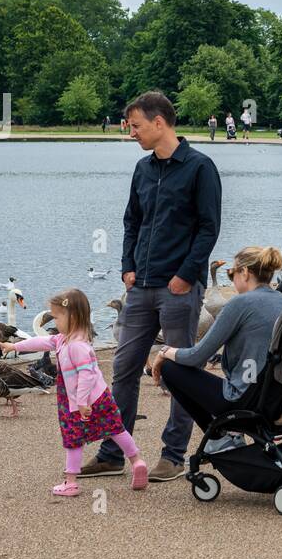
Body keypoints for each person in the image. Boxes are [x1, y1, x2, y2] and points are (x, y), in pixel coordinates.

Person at [81, 91, 221, 484]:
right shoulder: (143, 169)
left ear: (159, 123)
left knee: (178, 374)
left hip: (178, 287)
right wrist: (127, 265)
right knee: (124, 368)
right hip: (139, 286)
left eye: (136, 126)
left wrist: (186, 273)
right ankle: (114, 452)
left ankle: (173, 455)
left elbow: (209, 227)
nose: (132, 134)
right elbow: (132, 221)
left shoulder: (200, 168)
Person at [4, 288, 149, 496]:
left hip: (79, 401)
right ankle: (137, 461)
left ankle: (71, 482)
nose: (55, 323)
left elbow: (87, 375)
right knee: (116, 429)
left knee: (73, 438)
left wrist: (81, 402)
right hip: (101, 397)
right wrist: (15, 346)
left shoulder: (77, 345)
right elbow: (43, 341)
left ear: (72, 317)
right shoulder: (64, 338)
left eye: (57, 317)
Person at [150, 247, 282, 440]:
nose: (232, 279)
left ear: (245, 273)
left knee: (170, 367)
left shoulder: (240, 304)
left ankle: (217, 435)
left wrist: (164, 352)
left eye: (232, 273)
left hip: (244, 401)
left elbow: (196, 356)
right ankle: (223, 436)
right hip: (280, 401)